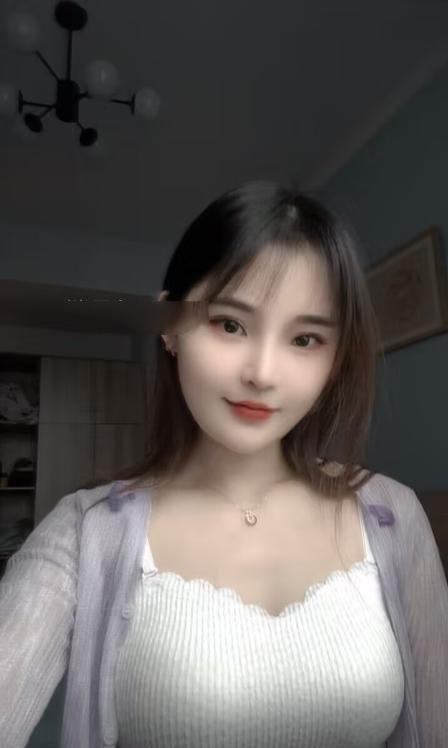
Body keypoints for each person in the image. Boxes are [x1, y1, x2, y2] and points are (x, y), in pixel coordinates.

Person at [1, 181, 447, 747]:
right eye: (230, 324)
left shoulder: (393, 514)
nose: (262, 372)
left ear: (335, 359)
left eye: (305, 339)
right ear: (169, 327)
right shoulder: (84, 531)